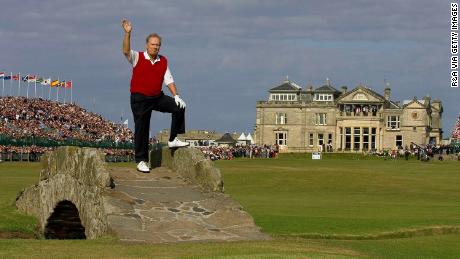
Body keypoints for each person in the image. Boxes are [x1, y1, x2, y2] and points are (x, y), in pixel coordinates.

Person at [121, 19, 189, 173]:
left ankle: (172, 139)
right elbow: (126, 51)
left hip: (156, 97)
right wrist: (127, 34)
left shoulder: (163, 60)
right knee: (142, 128)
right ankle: (141, 161)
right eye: (153, 44)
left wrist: (176, 95)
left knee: (179, 107)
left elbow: (169, 79)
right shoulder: (137, 57)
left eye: (158, 45)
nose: (155, 47)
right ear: (147, 45)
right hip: (139, 99)